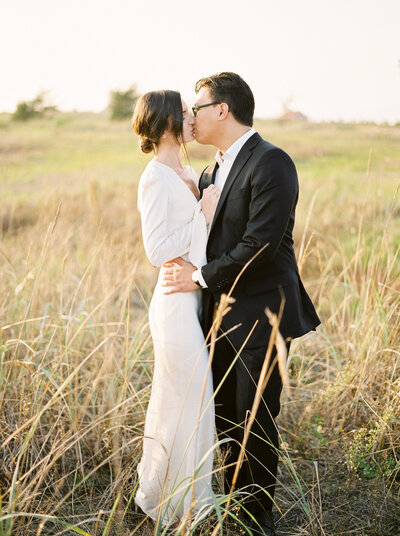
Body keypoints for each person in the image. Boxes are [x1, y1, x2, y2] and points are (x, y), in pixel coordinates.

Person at [162, 72, 321, 536]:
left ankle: (256, 518)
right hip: (218, 315)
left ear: (222, 110)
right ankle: (231, 502)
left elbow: (260, 243)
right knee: (225, 414)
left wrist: (198, 277)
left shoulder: (272, 162)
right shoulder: (212, 169)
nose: (190, 116)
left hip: (262, 312)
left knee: (255, 417)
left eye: (197, 107)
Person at [131, 90, 221, 529]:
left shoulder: (186, 170)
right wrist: (201, 216)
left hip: (194, 296)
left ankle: (179, 494)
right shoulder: (154, 178)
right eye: (185, 112)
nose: (192, 119)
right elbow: (156, 250)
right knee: (186, 395)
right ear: (167, 121)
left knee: (189, 397)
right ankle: (169, 500)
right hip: (172, 302)